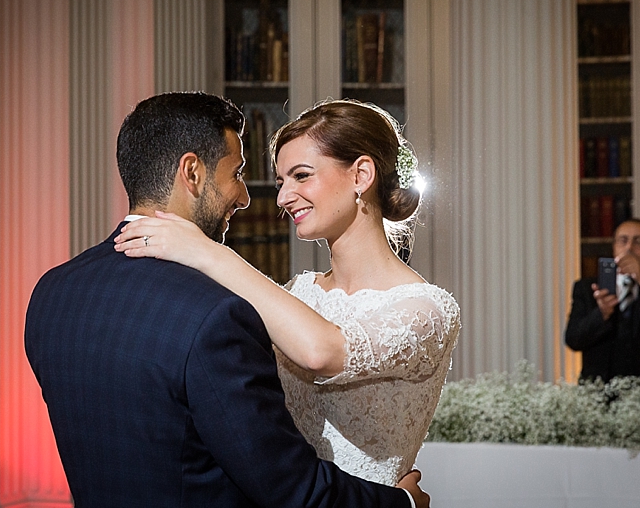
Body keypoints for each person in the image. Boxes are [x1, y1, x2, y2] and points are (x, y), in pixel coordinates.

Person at [25, 92, 427, 508]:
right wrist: (402, 504)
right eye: (237, 173)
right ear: (193, 173)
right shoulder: (217, 315)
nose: (247, 197)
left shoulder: (52, 294)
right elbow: (288, 486)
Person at [114, 98, 462, 487]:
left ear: (361, 174)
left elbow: (322, 352)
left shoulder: (427, 309)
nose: (282, 198)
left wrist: (207, 252)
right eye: (281, 182)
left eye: (301, 176)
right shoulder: (298, 292)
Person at [565, 218, 640, 390]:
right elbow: (573, 340)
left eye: (639, 242)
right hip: (599, 394)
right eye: (623, 241)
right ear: (614, 247)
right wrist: (601, 314)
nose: (629, 248)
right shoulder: (586, 289)